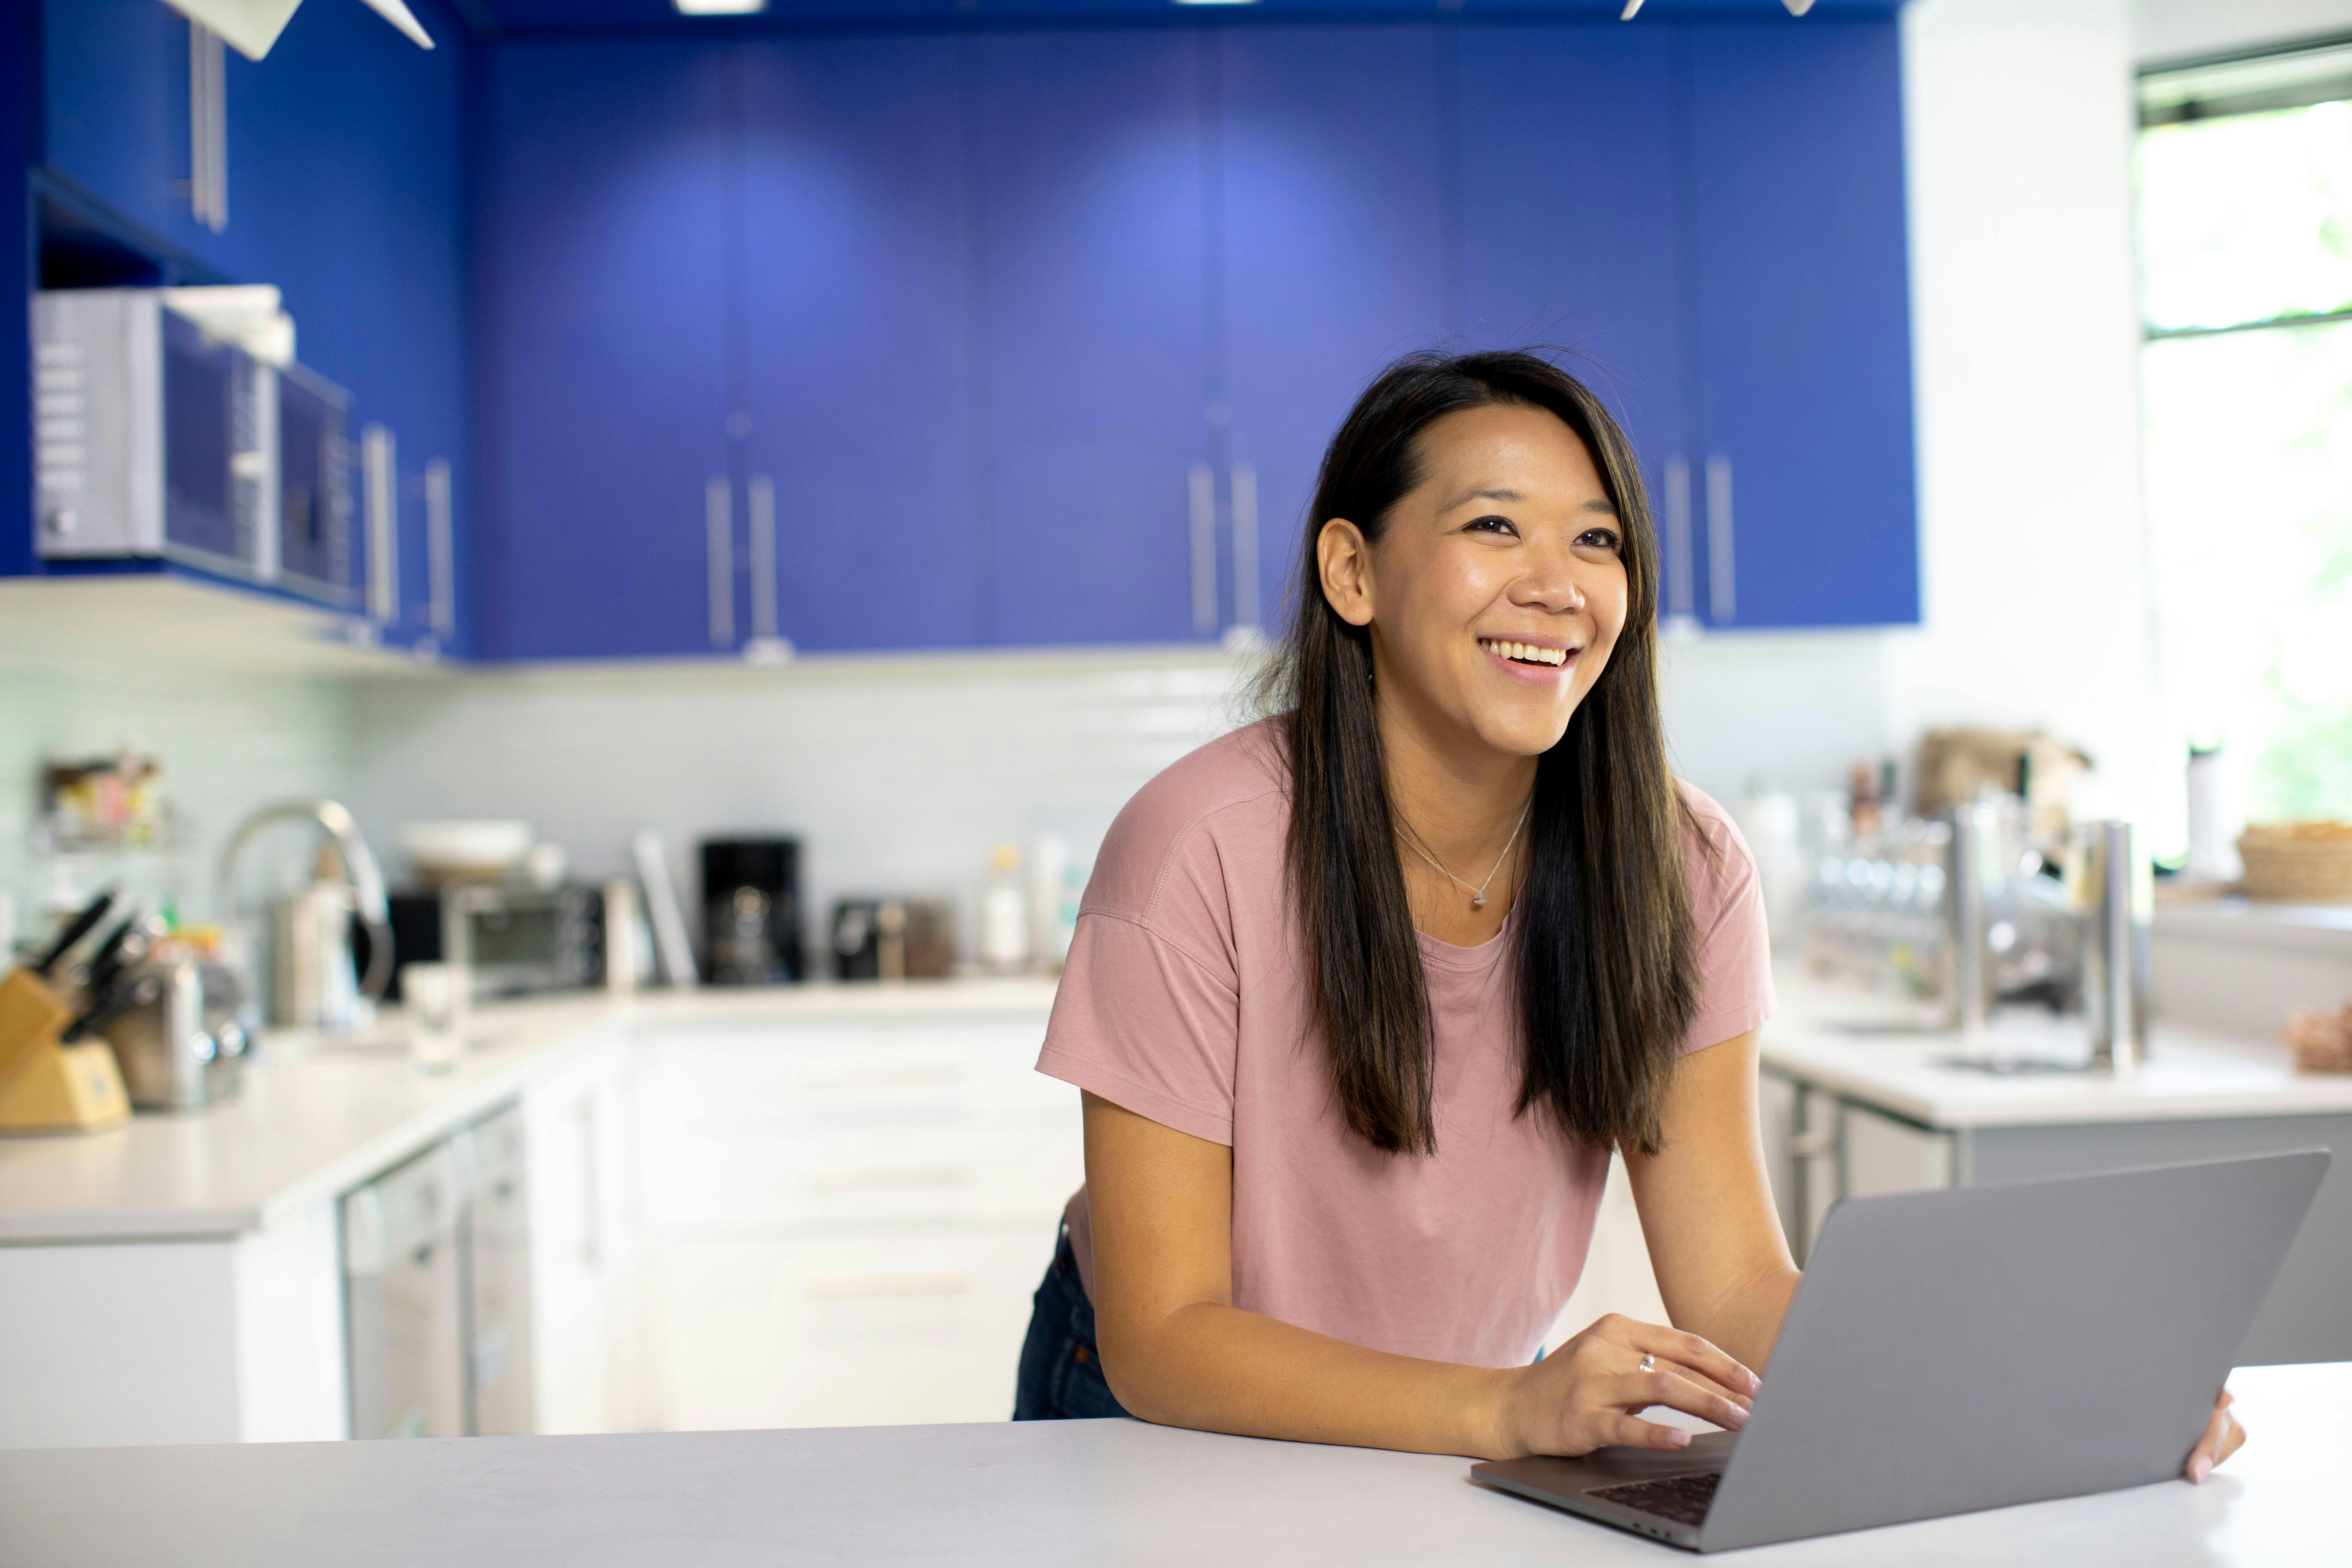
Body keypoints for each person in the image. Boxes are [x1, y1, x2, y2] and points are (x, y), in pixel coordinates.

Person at [1011, 349, 2244, 1480]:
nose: (1557, 587)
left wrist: (2057, 1393)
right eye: (1495, 525)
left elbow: (1736, 1288)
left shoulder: (1680, 866)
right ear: (1354, 571)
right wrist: (1507, 1409)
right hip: (1167, 1419)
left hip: (1458, 1423)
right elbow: (1164, 1340)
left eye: (1597, 541)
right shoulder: (1196, 848)